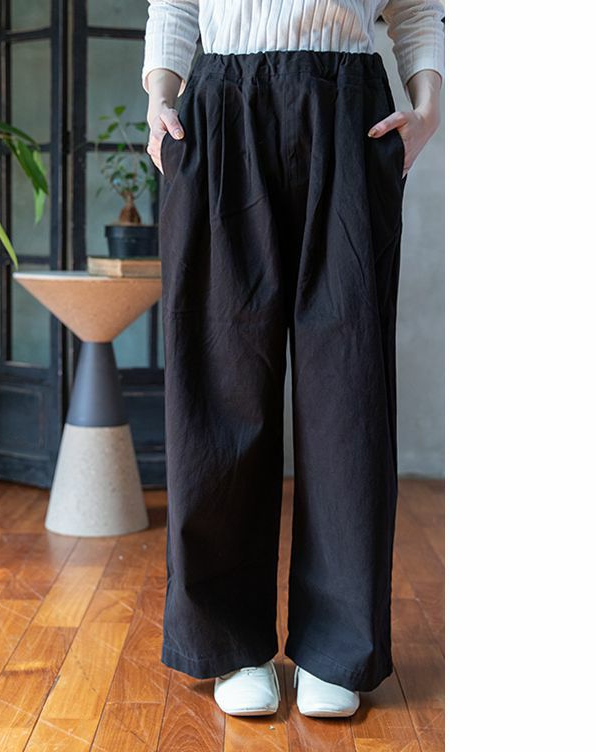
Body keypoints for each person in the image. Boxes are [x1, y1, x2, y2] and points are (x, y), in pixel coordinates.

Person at [141, 0, 444, 718]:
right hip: (221, 107)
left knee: (349, 386)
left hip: (349, 109)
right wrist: (160, 95)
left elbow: (417, 7)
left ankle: (337, 647)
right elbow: (176, 3)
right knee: (221, 379)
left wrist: (428, 109)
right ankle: (229, 643)